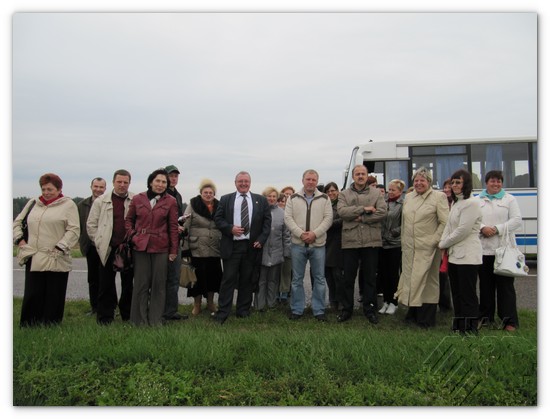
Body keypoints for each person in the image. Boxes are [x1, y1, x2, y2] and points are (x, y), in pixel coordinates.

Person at [13, 173, 80, 327]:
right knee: (32, 292)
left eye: (50, 189)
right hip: (34, 255)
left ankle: (51, 324)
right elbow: (17, 223)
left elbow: (74, 230)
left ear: (59, 189)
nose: (46, 192)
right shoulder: (33, 203)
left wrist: (60, 246)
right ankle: (29, 324)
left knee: (53, 293)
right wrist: (20, 240)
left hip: (55, 256)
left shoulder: (68, 205)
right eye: (44, 189)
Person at [213, 171, 271, 324]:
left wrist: (261, 239)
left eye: (246, 181)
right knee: (228, 280)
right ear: (235, 183)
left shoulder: (260, 200)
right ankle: (223, 313)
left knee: (247, 280)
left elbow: (267, 222)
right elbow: (218, 219)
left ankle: (243, 311)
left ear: (250, 183)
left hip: (251, 246)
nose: (243, 184)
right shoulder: (226, 199)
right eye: (241, 181)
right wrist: (230, 228)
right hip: (232, 246)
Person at [395, 167, 448, 329]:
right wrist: (404, 241)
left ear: (429, 182)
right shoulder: (409, 197)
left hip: (428, 248)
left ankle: (427, 318)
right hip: (410, 248)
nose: (418, 183)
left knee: (428, 281)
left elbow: (445, 222)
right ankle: (413, 313)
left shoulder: (439, 197)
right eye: (416, 180)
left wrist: (434, 241)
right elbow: (404, 222)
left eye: (422, 180)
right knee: (411, 279)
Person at [125, 168, 179, 326]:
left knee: (158, 285)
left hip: (161, 247)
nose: (161, 185)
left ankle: (155, 320)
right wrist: (133, 236)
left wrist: (173, 250)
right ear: (150, 182)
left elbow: (173, 227)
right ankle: (138, 320)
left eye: (164, 182)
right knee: (141, 284)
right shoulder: (138, 199)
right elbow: (128, 221)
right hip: (140, 246)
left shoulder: (171, 201)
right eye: (158, 181)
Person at [336, 165, 387, 324]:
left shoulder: (376, 193)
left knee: (370, 278)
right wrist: (364, 209)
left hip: (371, 240)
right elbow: (342, 212)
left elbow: (382, 212)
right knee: (348, 278)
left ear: (367, 176)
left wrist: (362, 218)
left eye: (363, 174)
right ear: (353, 176)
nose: (360, 176)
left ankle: (370, 309)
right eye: (357, 174)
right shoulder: (344, 194)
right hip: (350, 241)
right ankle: (347, 309)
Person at [87, 169, 135, 325]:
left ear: (129, 183)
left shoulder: (135, 200)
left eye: (125, 182)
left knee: (128, 284)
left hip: (127, 249)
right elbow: (91, 225)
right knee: (105, 284)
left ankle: (127, 315)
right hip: (108, 248)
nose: (122, 185)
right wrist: (99, 242)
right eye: (119, 182)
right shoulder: (101, 201)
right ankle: (105, 317)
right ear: (113, 182)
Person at [284, 169, 333, 321]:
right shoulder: (293, 198)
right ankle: (297, 309)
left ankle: (319, 310)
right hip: (298, 244)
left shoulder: (324, 198)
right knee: (297, 279)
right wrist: (301, 234)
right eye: (308, 179)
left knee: (319, 278)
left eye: (313, 179)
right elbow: (288, 218)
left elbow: (328, 218)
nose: (310, 182)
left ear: (317, 181)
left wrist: (314, 234)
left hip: (318, 244)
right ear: (302, 180)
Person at [477, 170, 522, 331]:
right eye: (492, 181)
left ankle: (509, 321)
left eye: (498, 181)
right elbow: (474, 220)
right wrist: (483, 228)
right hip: (484, 250)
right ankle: (486, 318)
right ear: (486, 182)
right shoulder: (478, 200)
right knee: (485, 286)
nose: (495, 184)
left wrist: (496, 229)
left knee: (506, 288)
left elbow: (517, 221)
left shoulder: (509, 199)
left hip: (504, 250)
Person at [439, 169, 482, 335]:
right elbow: (449, 227)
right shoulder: (456, 202)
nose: (454, 186)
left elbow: (463, 230)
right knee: (456, 293)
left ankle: (470, 328)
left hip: (468, 256)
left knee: (467, 295)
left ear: (466, 184)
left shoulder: (472, 203)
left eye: (458, 182)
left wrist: (444, 243)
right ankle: (458, 325)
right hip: (455, 255)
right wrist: (443, 242)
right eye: (453, 182)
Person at [183, 179, 223, 316]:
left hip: (214, 248)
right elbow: (185, 225)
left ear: (214, 194)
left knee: (213, 277)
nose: (208, 194)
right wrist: (186, 248)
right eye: (205, 192)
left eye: (210, 192)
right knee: (197, 279)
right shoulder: (193, 205)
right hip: (197, 248)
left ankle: (211, 303)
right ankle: (197, 305)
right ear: (201, 193)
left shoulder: (219, 206)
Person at [255, 187, 290, 311]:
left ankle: (271, 304)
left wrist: (286, 251)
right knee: (261, 280)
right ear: (264, 197)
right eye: (269, 196)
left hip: (276, 251)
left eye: (274, 196)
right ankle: (259, 305)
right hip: (261, 252)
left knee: (273, 280)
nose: (272, 198)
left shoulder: (282, 213)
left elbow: (286, 234)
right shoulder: (258, 211)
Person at [77, 177, 107, 315]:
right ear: (91, 187)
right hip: (90, 246)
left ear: (105, 189)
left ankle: (106, 306)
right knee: (93, 279)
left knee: (105, 278)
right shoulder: (82, 205)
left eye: (101, 187)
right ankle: (94, 307)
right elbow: (79, 226)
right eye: (96, 186)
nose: (98, 190)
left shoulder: (108, 203)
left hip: (105, 246)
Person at [163, 164, 188, 321]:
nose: (173, 178)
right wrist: (173, 226)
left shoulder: (177, 195)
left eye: (175, 176)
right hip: (162, 243)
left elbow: (176, 217)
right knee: (160, 279)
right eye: (170, 176)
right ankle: (158, 310)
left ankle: (171, 311)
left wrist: (181, 224)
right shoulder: (160, 195)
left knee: (173, 278)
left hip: (175, 242)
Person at [378, 179, 405, 315]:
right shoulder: (383, 202)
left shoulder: (403, 204)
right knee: (383, 275)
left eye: (393, 189)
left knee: (393, 275)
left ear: (400, 191)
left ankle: (394, 302)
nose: (390, 192)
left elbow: (405, 223)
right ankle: (386, 301)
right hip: (382, 243)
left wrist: (394, 232)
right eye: (389, 189)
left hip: (395, 244)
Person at [324, 182, 343, 312]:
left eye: (333, 191)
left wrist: (326, 224)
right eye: (328, 191)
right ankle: (332, 301)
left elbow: (343, 220)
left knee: (337, 275)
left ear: (337, 191)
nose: (331, 193)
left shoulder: (341, 205)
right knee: (328, 275)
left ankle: (341, 301)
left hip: (337, 244)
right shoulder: (324, 205)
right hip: (324, 243)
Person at [438, 179, 454, 312]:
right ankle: (444, 304)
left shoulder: (458, 203)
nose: (447, 189)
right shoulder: (440, 201)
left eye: (450, 187)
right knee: (442, 275)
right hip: (442, 243)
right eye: (445, 187)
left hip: (454, 243)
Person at [278, 185, 295, 303]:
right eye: (286, 195)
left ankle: (286, 293)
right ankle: (276, 293)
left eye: (290, 195)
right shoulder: (273, 213)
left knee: (288, 271)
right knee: (277, 272)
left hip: (291, 245)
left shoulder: (292, 212)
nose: (288, 197)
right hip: (276, 246)